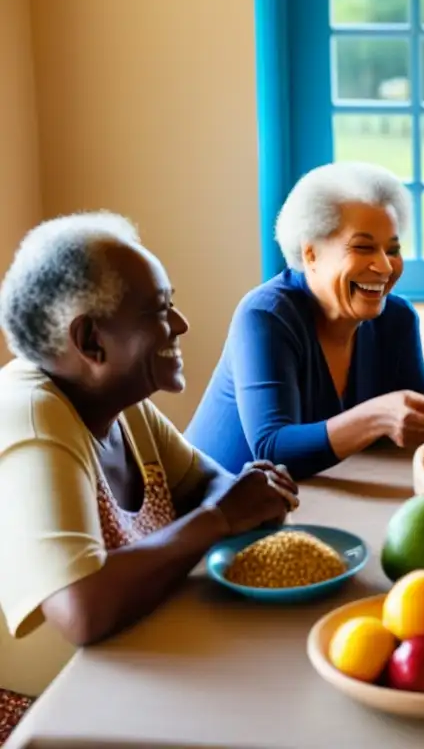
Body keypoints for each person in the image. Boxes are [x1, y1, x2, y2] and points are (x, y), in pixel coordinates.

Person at [0, 213, 298, 743]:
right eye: (159, 311)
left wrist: (237, 501)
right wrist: (221, 519)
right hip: (50, 714)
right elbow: (81, 609)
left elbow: (215, 486)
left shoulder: (117, 402)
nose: (180, 324)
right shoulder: (31, 416)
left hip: (133, 670)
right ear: (91, 341)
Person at [185, 162, 424, 480]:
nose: (384, 266)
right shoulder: (266, 317)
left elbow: (420, 432)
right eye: (363, 247)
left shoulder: (397, 320)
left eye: (392, 250)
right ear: (310, 253)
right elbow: (273, 450)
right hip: (212, 511)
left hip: (311, 503)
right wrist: (378, 416)